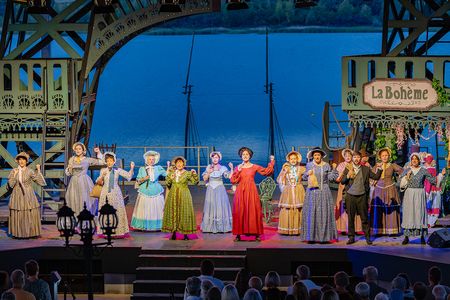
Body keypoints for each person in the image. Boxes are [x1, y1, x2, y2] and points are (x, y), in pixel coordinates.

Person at [230, 147, 274, 241]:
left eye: (247, 154)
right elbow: (233, 180)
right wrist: (238, 170)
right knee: (240, 210)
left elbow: (266, 172)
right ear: (241, 156)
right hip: (241, 191)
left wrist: (272, 162)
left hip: (251, 190)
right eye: (243, 155)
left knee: (253, 210)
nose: (245, 156)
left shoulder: (254, 166)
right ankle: (238, 234)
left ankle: (256, 233)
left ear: (250, 156)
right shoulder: (238, 167)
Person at [340, 151, 382, 245]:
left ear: (360, 158)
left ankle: (367, 237)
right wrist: (347, 175)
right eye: (354, 157)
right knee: (351, 218)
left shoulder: (366, 169)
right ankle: (351, 237)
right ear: (352, 158)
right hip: (350, 196)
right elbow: (342, 181)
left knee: (364, 218)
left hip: (362, 196)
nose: (356, 159)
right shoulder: (348, 168)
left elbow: (375, 177)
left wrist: (379, 169)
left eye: (358, 157)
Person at [400, 153, 442, 245]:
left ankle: (422, 237)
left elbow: (433, 181)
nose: (414, 160)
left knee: (420, 214)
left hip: (419, 193)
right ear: (410, 160)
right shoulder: (407, 170)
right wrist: (407, 177)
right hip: (409, 194)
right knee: (409, 214)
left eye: (416, 159)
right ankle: (406, 237)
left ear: (419, 160)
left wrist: (441, 175)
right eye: (412, 159)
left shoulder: (423, 170)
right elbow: (400, 182)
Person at [301, 147, 339, 243]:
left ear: (321, 156)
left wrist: (334, 169)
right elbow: (304, 177)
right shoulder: (309, 165)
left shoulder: (326, 165)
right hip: (312, 192)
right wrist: (307, 174)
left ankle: (324, 237)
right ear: (313, 156)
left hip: (324, 191)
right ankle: (311, 237)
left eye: (318, 155)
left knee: (324, 213)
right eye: (315, 155)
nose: (317, 156)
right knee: (311, 213)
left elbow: (330, 178)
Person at [7, 152, 46, 239]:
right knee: (18, 212)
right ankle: (18, 233)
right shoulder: (14, 171)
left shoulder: (30, 171)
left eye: (23, 159)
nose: (21, 161)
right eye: (20, 159)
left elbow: (40, 182)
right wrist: (14, 174)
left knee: (29, 212)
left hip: (28, 194)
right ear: (17, 161)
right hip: (17, 194)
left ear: (26, 161)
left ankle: (30, 232)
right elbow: (11, 185)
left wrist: (38, 170)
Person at [96, 152, 134, 238]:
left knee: (117, 210)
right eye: (108, 161)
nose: (109, 162)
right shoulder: (103, 170)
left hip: (116, 192)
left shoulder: (117, 170)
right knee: (106, 210)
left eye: (111, 160)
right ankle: (106, 230)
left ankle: (117, 231)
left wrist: (132, 168)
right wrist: (102, 176)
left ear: (114, 161)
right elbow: (99, 182)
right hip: (105, 192)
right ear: (106, 161)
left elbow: (128, 176)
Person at [131, 150, 170, 231]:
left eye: (153, 159)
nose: (151, 161)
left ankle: (157, 225)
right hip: (145, 190)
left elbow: (167, 174)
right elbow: (138, 180)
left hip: (156, 189)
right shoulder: (142, 169)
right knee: (144, 208)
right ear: (146, 160)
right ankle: (143, 225)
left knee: (156, 208)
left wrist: (168, 167)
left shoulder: (158, 168)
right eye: (149, 159)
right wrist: (144, 178)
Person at [162, 156, 199, 240]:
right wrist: (170, 178)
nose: (179, 164)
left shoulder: (187, 173)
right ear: (175, 164)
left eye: (181, 162)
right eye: (177, 163)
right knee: (173, 213)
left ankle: (185, 234)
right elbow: (168, 184)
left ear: (183, 164)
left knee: (184, 212)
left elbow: (195, 182)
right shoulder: (172, 173)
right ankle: (174, 233)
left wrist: (195, 174)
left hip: (184, 194)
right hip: (173, 194)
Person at [370, 147, 403, 236]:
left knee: (391, 208)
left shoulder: (392, 165)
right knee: (378, 208)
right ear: (380, 157)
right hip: (378, 189)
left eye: (386, 155)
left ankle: (392, 230)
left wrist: (400, 181)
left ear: (389, 156)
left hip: (390, 188)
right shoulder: (376, 166)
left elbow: (402, 171)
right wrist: (373, 181)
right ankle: (379, 230)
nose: (385, 157)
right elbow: (371, 176)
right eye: (383, 155)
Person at [65, 143, 103, 216]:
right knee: (74, 199)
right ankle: (75, 218)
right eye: (76, 149)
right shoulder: (72, 159)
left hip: (84, 181)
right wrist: (70, 168)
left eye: (79, 149)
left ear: (83, 150)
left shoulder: (88, 159)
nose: (78, 150)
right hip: (74, 181)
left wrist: (98, 152)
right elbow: (68, 173)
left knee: (84, 199)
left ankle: (85, 218)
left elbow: (101, 162)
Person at [201, 151, 233, 233]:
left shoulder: (222, 168)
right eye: (213, 157)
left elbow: (228, 176)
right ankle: (210, 226)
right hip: (211, 189)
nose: (215, 159)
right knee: (210, 206)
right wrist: (209, 172)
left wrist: (232, 169)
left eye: (216, 157)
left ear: (219, 158)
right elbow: (205, 179)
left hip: (219, 189)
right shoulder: (209, 167)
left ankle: (221, 226)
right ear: (211, 158)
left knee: (219, 205)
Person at [277, 151, 305, 235]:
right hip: (288, 190)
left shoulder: (302, 169)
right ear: (289, 160)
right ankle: (287, 229)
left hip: (298, 190)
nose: (293, 160)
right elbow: (279, 179)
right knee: (287, 209)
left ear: (297, 159)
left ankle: (298, 229)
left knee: (298, 209)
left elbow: (308, 177)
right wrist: (284, 172)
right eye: (291, 159)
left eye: (294, 158)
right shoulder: (285, 168)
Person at [335, 149, 362, 234]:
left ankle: (356, 228)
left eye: (349, 156)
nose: (348, 157)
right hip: (343, 187)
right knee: (344, 206)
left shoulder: (355, 165)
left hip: (354, 187)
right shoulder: (341, 165)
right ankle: (343, 228)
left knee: (355, 207)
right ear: (344, 157)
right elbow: (338, 178)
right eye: (346, 156)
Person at [423, 154, 442, 227]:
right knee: (432, 205)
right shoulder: (432, 169)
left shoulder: (429, 169)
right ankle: (430, 222)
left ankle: (429, 222)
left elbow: (429, 181)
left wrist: (427, 191)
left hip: (430, 190)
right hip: (433, 190)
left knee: (430, 205)